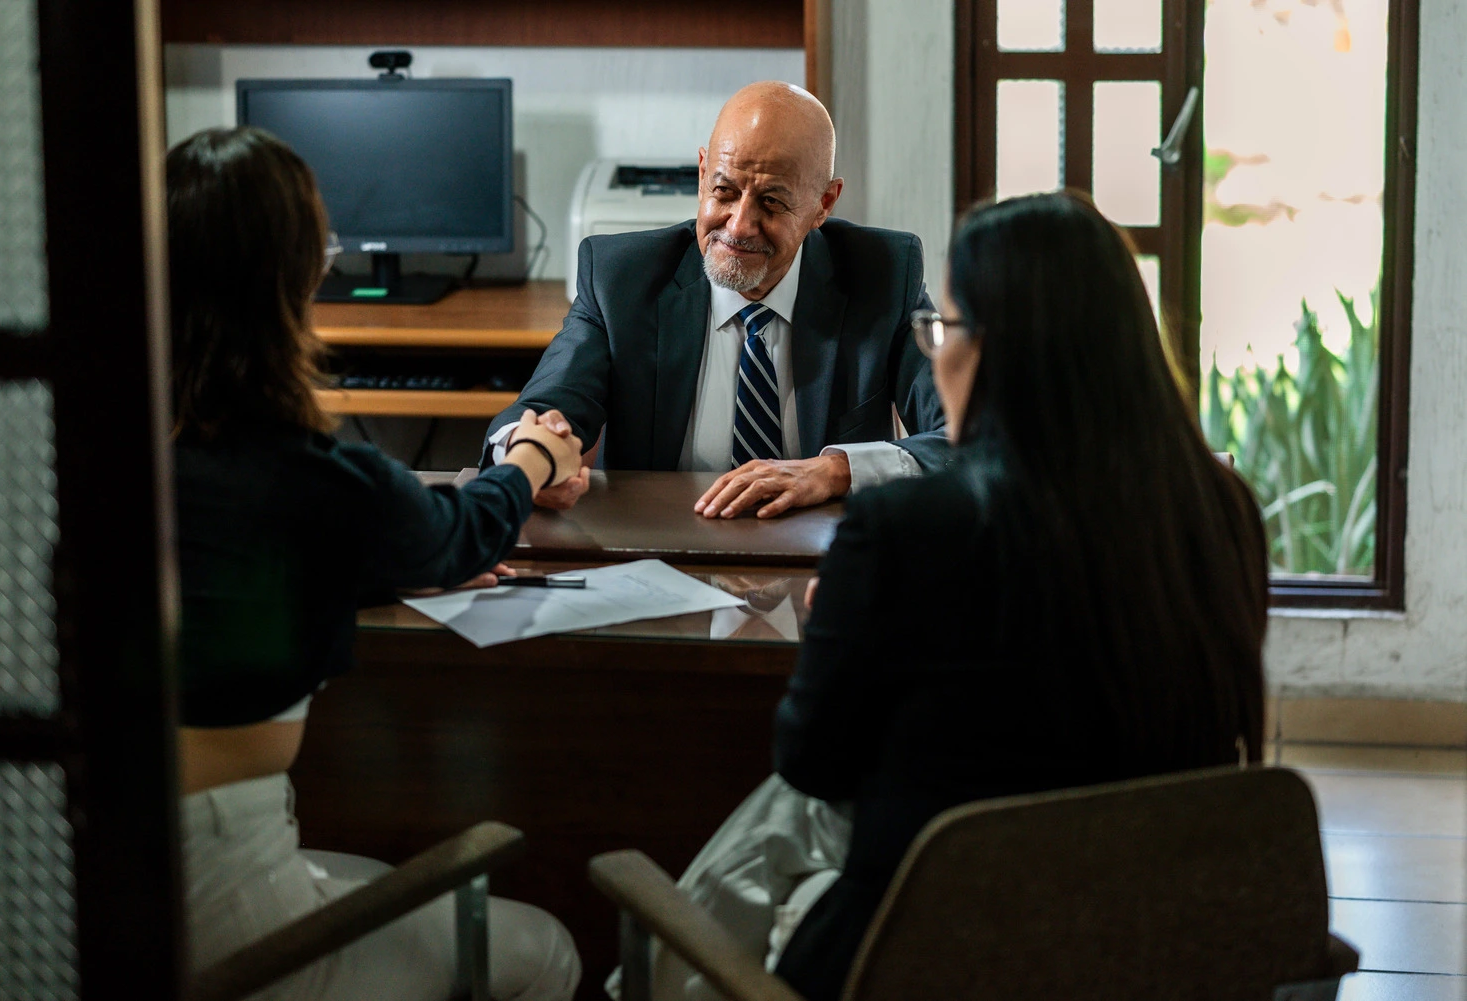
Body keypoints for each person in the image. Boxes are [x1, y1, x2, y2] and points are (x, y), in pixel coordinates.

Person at [657, 192, 1270, 1001]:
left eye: (944, 330)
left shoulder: (907, 530)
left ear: (990, 352)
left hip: (928, 951)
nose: (935, 355)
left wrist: (852, 622)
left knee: (772, 835)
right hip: (1145, 946)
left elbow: (813, 760)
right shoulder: (1223, 512)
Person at [169, 126, 584, 1001]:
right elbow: (461, 532)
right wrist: (532, 461)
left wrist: (374, 562)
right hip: (221, 905)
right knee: (545, 949)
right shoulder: (311, 476)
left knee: (357, 867)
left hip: (68, 882)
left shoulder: (85, 456)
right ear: (292, 280)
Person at [481, 81, 949, 519]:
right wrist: (524, 463)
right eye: (724, 190)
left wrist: (835, 470)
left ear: (824, 204)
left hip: (821, 565)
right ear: (703, 174)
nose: (739, 226)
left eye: (772, 202)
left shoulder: (883, 274)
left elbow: (973, 437)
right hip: (659, 555)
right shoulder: (621, 278)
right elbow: (545, 408)